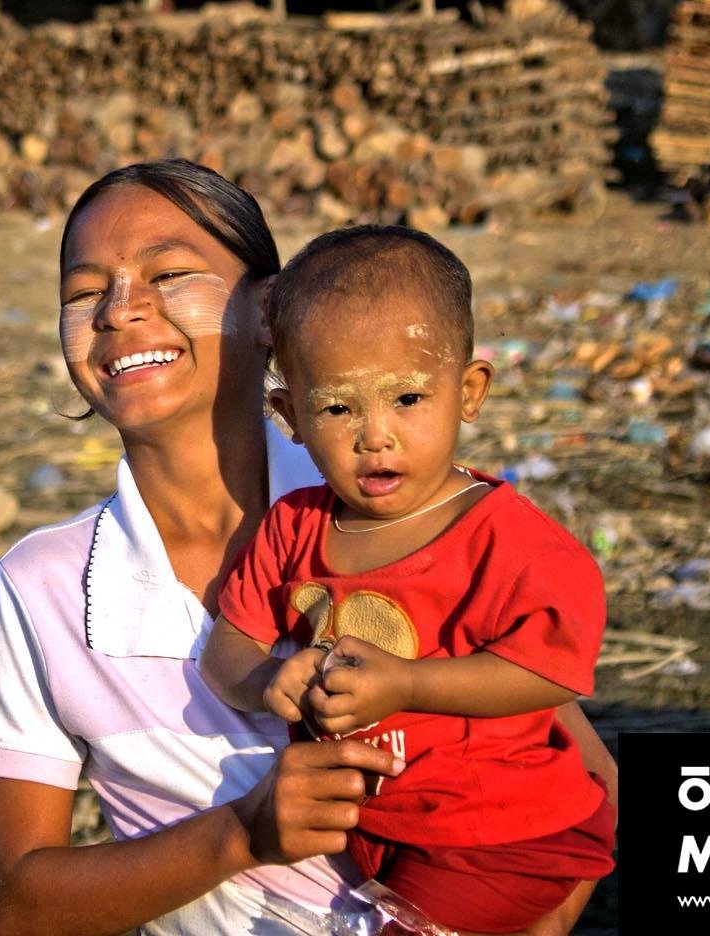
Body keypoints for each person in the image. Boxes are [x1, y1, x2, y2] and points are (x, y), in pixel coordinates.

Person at [0, 159, 617, 936]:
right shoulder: (46, 591)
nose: (119, 310)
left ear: (271, 311)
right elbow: (18, 908)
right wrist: (240, 834)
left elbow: (582, 776)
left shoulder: (410, 518)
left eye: (168, 274)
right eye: (82, 292)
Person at [200, 224, 616, 933]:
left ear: (469, 392)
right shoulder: (293, 527)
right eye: (338, 407)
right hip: (383, 826)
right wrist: (265, 684)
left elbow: (550, 675)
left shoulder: (506, 541)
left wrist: (408, 684)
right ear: (290, 416)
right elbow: (227, 650)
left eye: (408, 400)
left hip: (500, 830)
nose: (375, 435)